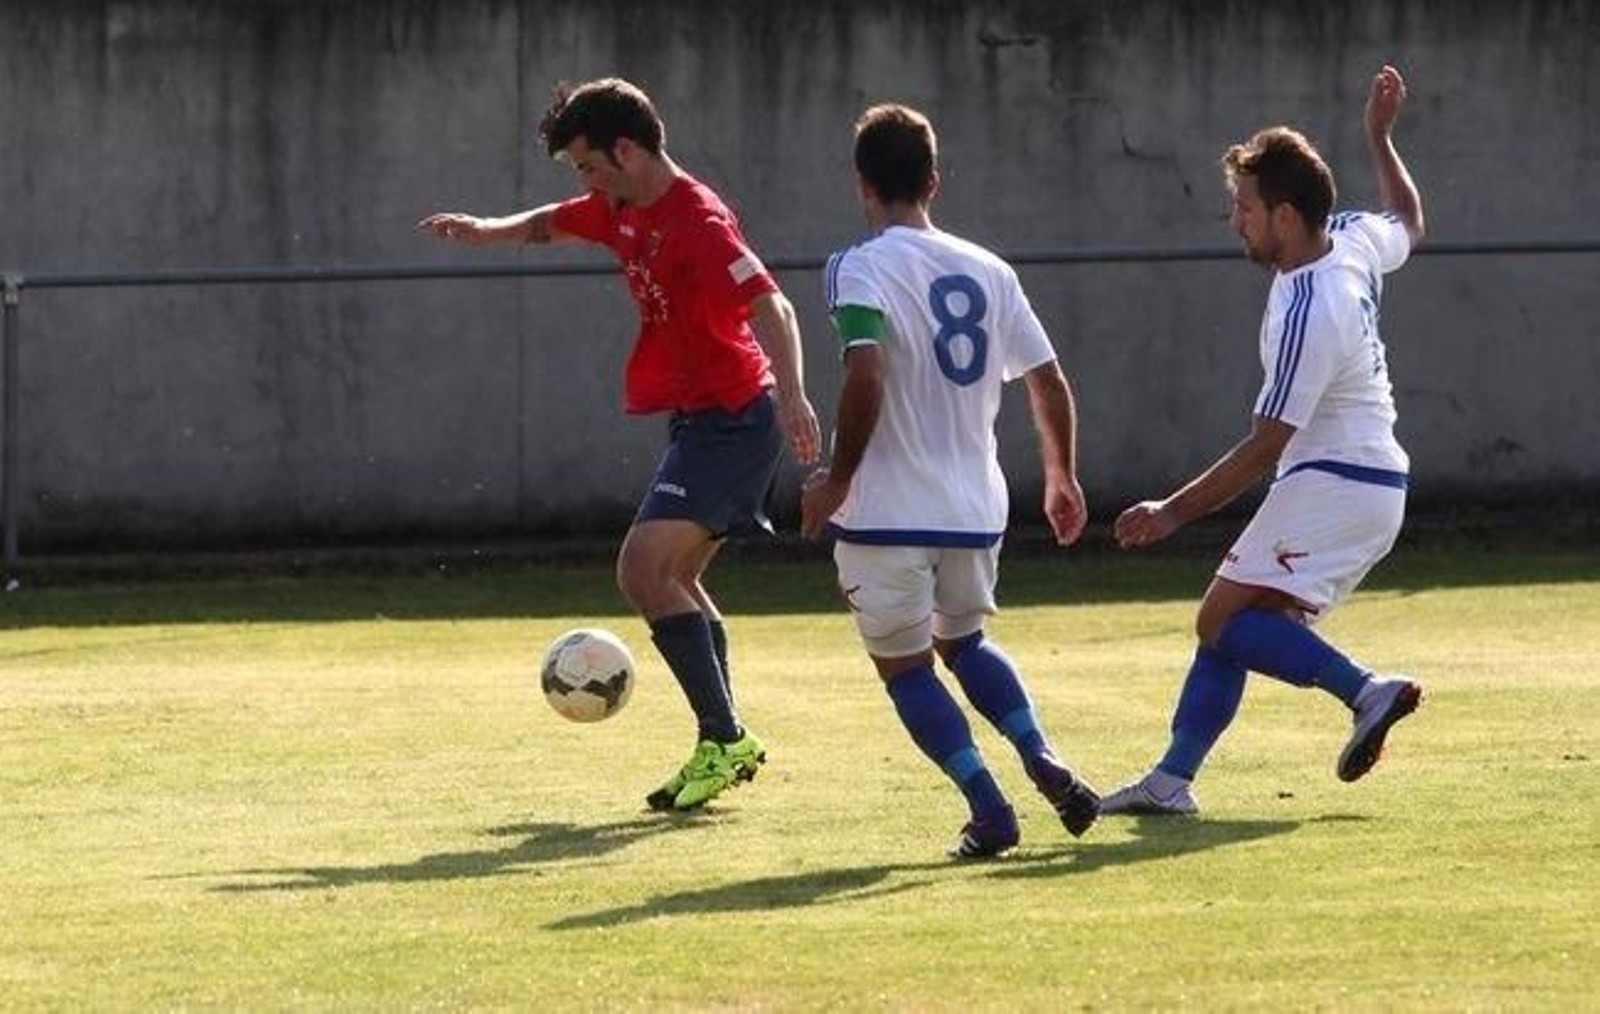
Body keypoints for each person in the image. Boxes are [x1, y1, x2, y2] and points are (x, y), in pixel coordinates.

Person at [420, 78, 821, 811]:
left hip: (737, 419)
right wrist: (485, 230)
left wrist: (794, 395)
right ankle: (723, 741)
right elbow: (552, 222)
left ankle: (724, 736)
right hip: (700, 422)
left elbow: (773, 304)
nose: (586, 181)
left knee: (642, 569)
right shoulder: (620, 207)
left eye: (588, 165)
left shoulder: (697, 219)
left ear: (627, 149)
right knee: (679, 580)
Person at [1101, 66, 1427, 816]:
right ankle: (1170, 780)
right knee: (1239, 627)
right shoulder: (1347, 239)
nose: (1235, 220)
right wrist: (1379, 136)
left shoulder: (1313, 309)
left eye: (1244, 207)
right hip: (1364, 485)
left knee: (1219, 618)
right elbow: (1408, 220)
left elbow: (1264, 445)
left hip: (1335, 484)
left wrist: (1171, 512)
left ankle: (1366, 690)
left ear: (1284, 215)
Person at [801, 103, 1099, 859]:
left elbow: (864, 371)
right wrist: (1061, 475)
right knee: (964, 642)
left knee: (905, 668)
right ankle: (1040, 751)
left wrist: (836, 480)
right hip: (975, 508)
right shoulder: (991, 269)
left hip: (887, 511)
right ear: (933, 181)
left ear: (864, 187)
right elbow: (1049, 378)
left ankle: (989, 807)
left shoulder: (857, 266)